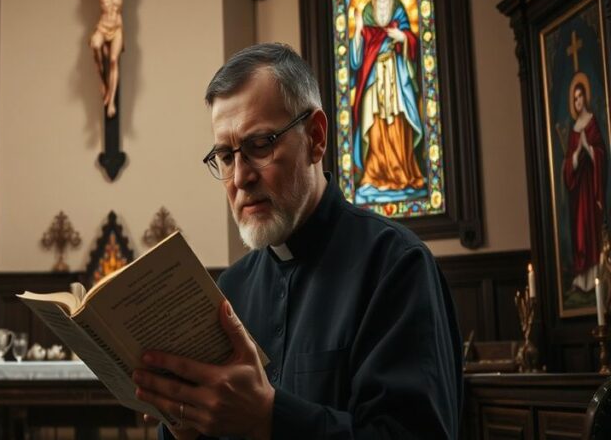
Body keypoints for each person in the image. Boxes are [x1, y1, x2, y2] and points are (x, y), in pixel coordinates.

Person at [132, 43, 461, 438]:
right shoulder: (229, 290)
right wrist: (187, 429)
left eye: (260, 145)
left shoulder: (396, 266)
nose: (240, 178)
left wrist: (270, 418)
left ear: (316, 137)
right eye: (225, 156)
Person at [52, 0, 168, 118]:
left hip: (117, 29)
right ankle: (102, 82)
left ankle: (111, 100)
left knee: (113, 60)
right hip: (102, 26)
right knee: (95, 47)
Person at [350, 0, 425, 203]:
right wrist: (360, 28)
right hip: (374, 73)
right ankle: (374, 175)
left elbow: (409, 37)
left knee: (400, 117)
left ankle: (404, 173)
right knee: (374, 121)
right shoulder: (368, 10)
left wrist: (402, 37)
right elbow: (357, 55)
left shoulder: (399, 8)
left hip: (395, 70)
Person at [563, 76, 606, 292]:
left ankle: (596, 276)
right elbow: (567, 165)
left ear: (585, 98)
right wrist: (577, 153)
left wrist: (588, 147)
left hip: (591, 188)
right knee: (580, 233)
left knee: (591, 229)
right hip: (578, 192)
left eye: (580, 96)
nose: (578, 101)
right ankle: (582, 279)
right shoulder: (573, 128)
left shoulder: (591, 121)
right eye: (575, 98)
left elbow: (600, 152)